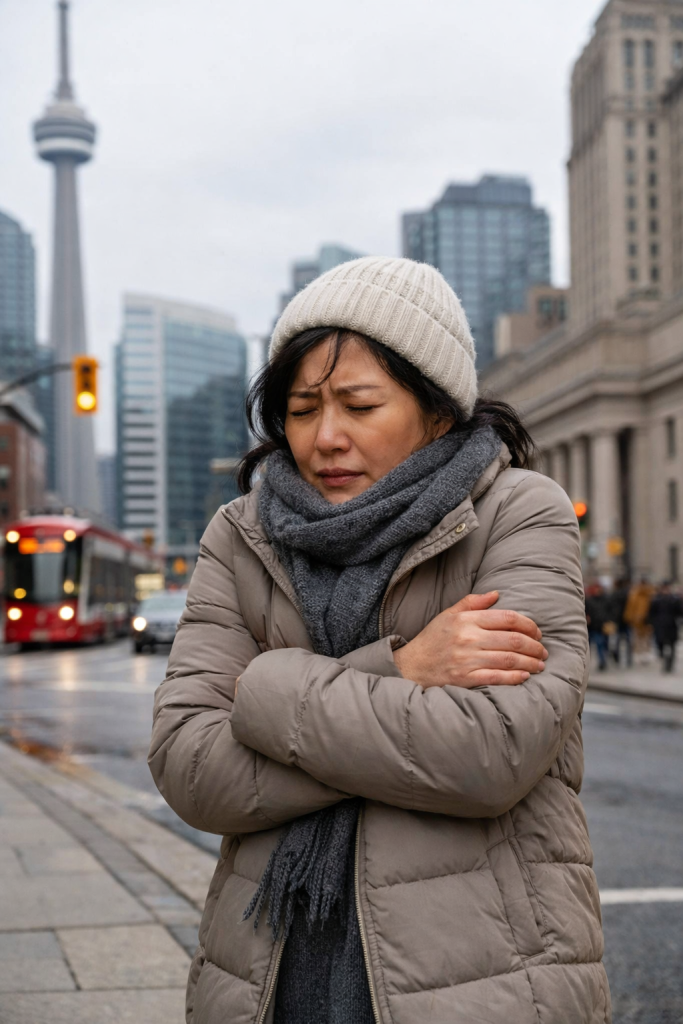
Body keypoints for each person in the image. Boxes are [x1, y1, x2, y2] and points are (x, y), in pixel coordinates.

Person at [149, 257, 609, 1024]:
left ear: (435, 410)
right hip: (268, 981)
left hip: (489, 981)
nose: (324, 437)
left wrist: (267, 693)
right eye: (301, 409)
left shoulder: (518, 513)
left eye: (358, 405)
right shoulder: (240, 536)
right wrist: (397, 668)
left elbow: (491, 752)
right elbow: (190, 766)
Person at [648, 581, 683, 672]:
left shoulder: (675, 600)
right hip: (660, 626)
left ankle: (669, 664)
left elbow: (680, 612)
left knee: (672, 646)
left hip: (671, 625)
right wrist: (652, 623)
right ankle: (665, 661)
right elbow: (651, 613)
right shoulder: (656, 600)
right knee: (661, 644)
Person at [624, 577, 655, 662]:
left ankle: (642, 653)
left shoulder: (636, 594)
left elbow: (630, 607)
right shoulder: (649, 593)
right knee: (643, 638)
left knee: (641, 637)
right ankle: (643, 653)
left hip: (640, 619)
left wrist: (630, 617)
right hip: (642, 619)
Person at [585, 583, 610, 671]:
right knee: (589, 647)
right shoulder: (589, 600)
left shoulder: (605, 600)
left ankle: (602, 662)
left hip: (599, 626)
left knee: (600, 645)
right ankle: (588, 664)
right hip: (591, 626)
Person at [608, 578, 632, 667]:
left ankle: (617, 657)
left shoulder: (613, 595)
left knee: (616, 640)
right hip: (627, 620)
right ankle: (629, 659)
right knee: (628, 640)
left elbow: (610, 607)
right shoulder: (627, 594)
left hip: (616, 620)